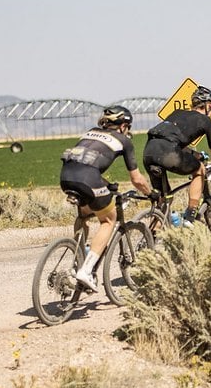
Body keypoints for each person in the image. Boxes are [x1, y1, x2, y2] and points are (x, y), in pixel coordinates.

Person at [60, 105, 156, 291]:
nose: (128, 131)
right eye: (128, 127)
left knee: (84, 216)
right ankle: (86, 271)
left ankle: (77, 261)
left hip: (66, 177)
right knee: (109, 219)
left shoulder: (91, 132)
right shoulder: (124, 141)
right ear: (123, 126)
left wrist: (105, 184)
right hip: (88, 179)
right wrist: (150, 194)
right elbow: (136, 179)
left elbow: (85, 164)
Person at [143, 85, 211, 225]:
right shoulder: (206, 122)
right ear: (207, 106)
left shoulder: (177, 113)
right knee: (199, 169)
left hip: (149, 151)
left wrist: (195, 155)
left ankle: (151, 236)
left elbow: (173, 141)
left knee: (164, 202)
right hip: (169, 152)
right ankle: (190, 216)